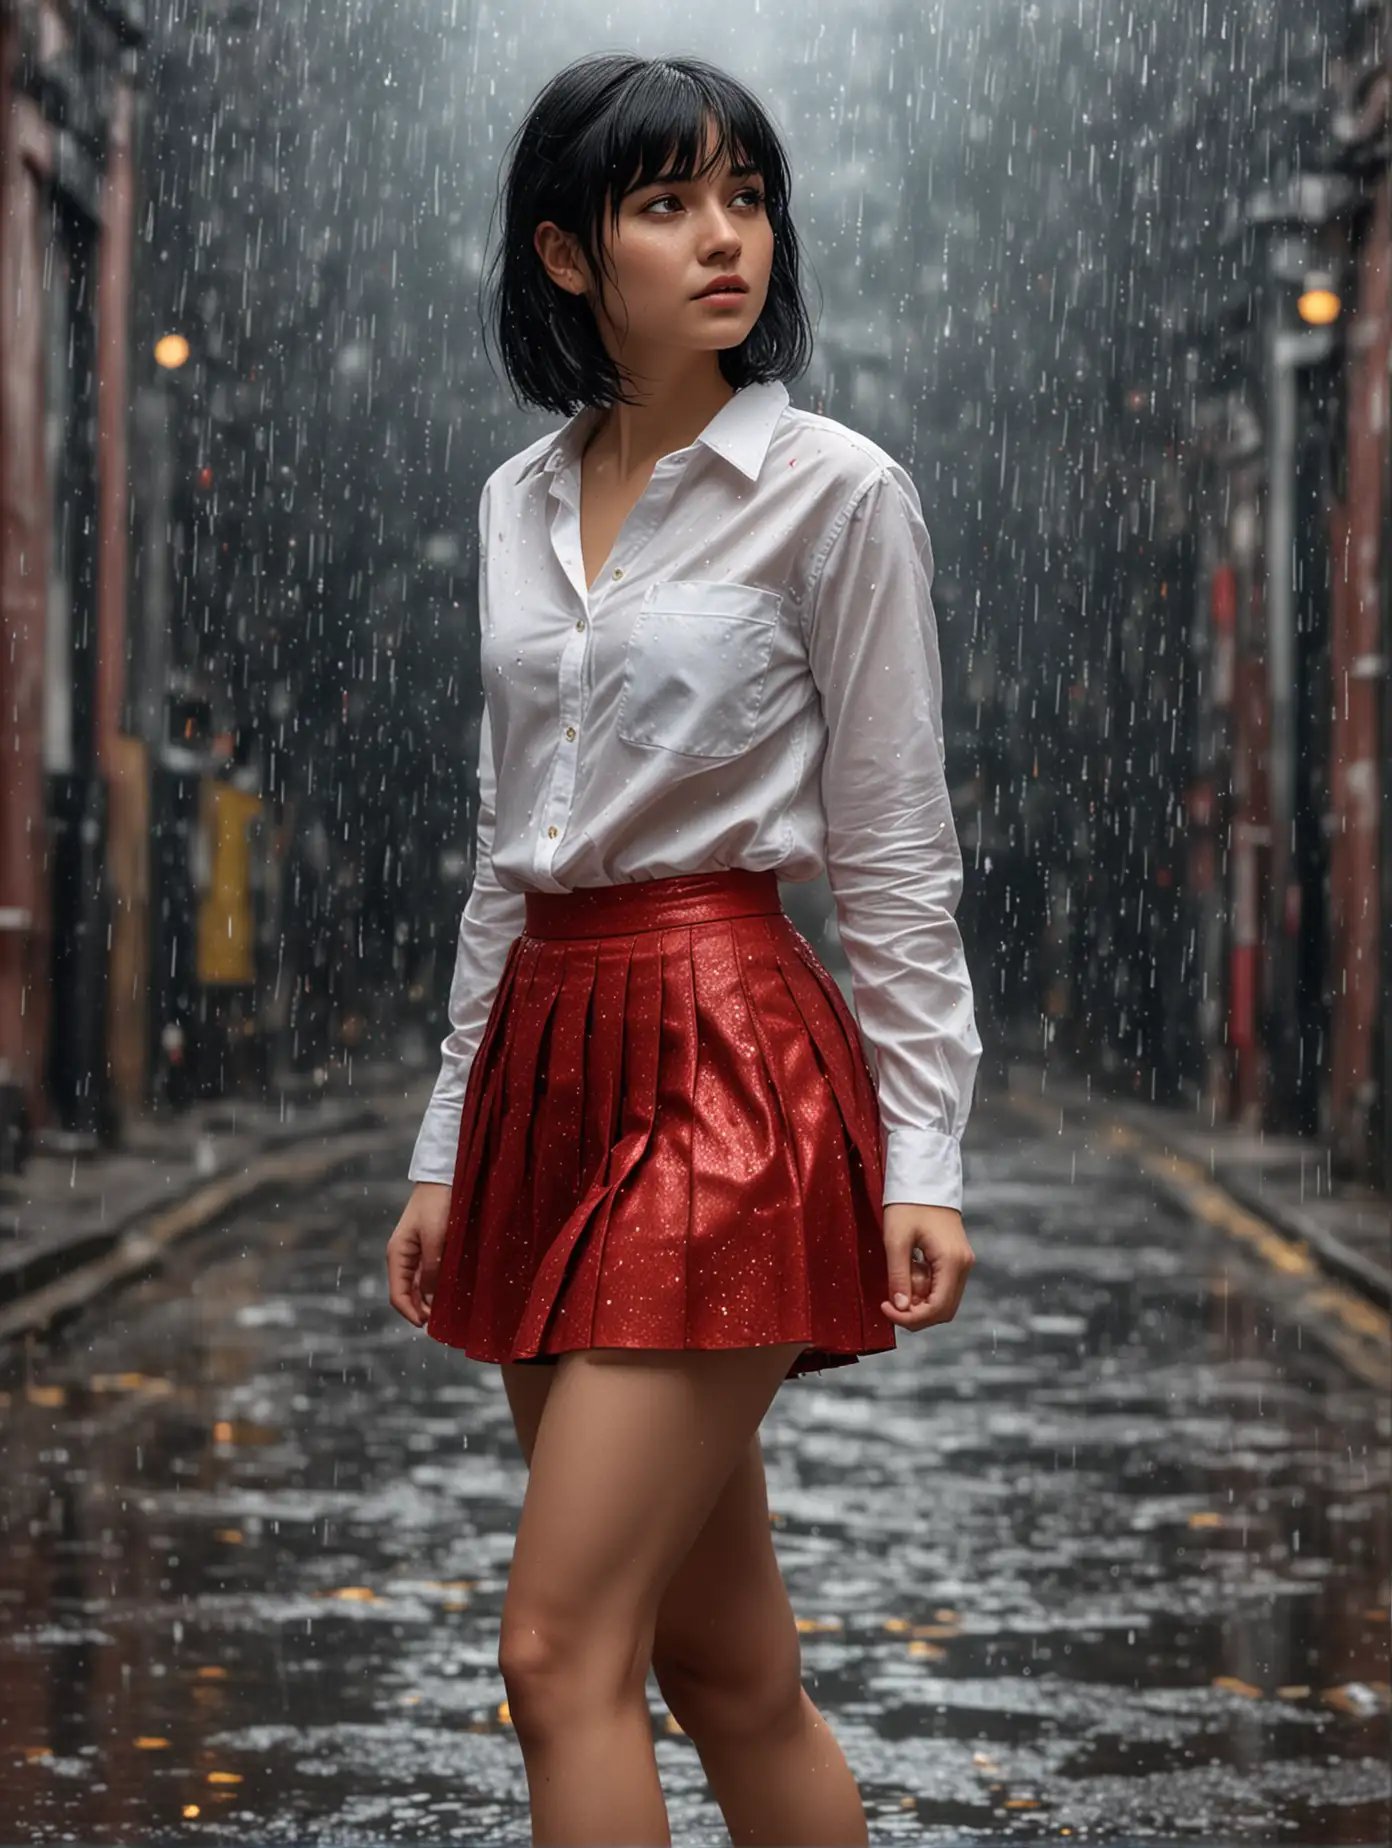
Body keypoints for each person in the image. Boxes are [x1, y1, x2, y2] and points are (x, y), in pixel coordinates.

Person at [386, 50, 983, 1848]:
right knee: (729, 1673)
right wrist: (442, 1141)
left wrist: (926, 1152)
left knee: (562, 1650)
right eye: (666, 204)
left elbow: (893, 851)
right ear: (569, 256)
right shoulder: (513, 503)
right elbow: (515, 858)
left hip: (727, 1059)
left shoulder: (837, 493)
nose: (725, 239)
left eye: (745, 194)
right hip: (543, 1065)